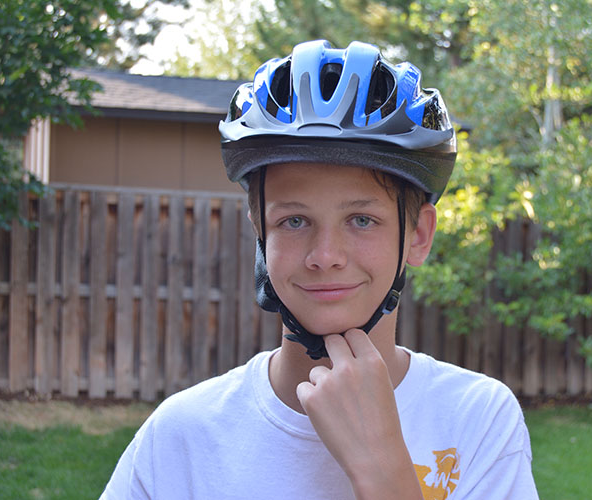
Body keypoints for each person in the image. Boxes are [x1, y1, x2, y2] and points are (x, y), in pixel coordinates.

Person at [100, 40, 538, 500]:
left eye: (361, 220)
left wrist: (384, 467)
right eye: (294, 220)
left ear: (419, 235)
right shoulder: (181, 438)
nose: (325, 255)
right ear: (260, 232)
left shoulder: (477, 421)